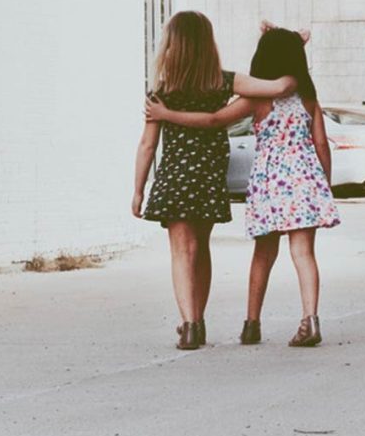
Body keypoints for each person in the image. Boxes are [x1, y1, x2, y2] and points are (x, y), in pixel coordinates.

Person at [145, 25, 340, 347]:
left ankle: (252, 324)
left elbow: (213, 120)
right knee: (304, 253)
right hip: (305, 182)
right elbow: (321, 144)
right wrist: (325, 185)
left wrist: (167, 114)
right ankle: (310, 320)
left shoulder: (255, 101)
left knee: (263, 254)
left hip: (270, 184)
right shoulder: (308, 100)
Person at [132, 11, 296, 350]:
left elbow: (148, 144)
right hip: (207, 177)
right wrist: (293, 48)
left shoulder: (161, 91)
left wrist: (138, 189)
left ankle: (190, 324)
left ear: (172, 44)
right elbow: (279, 86)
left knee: (181, 252)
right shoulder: (223, 81)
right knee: (201, 248)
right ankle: (199, 321)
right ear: (208, 44)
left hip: (175, 177)